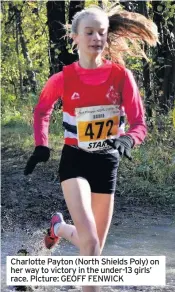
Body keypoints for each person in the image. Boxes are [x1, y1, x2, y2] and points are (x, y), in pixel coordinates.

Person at [24, 5, 158, 292]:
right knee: (91, 242)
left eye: (102, 32)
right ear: (74, 37)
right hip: (75, 161)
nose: (96, 37)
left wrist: (128, 139)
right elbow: (42, 112)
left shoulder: (122, 76)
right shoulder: (62, 78)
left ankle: (58, 228)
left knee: (93, 250)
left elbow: (139, 124)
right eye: (89, 32)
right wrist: (42, 146)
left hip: (107, 163)